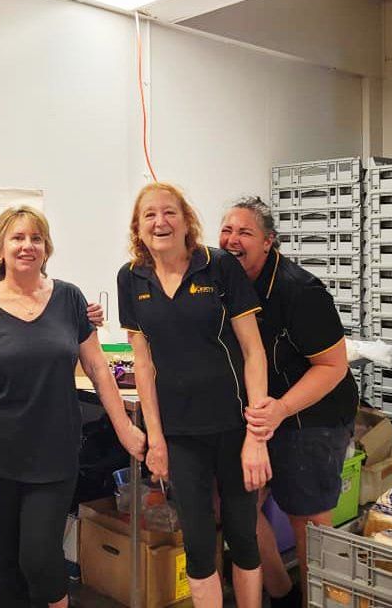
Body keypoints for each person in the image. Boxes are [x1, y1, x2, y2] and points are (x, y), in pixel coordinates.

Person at [0, 205, 145, 608]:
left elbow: (97, 368)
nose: (27, 246)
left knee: (40, 559)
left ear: (46, 247)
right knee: (5, 564)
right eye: (17, 238)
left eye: (36, 238)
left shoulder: (68, 298)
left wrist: (124, 427)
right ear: (1, 248)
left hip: (53, 452)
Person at [117, 182, 271, 608]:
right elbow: (143, 365)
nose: (160, 222)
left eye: (169, 212)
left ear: (186, 220)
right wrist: (156, 439)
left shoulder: (218, 266)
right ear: (138, 227)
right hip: (180, 434)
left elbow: (254, 351)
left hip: (233, 427)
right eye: (149, 215)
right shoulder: (131, 278)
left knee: (243, 536)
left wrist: (256, 436)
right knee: (199, 545)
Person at [219, 197, 358, 608]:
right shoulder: (223, 282)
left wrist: (281, 409)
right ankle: (282, 593)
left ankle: (321, 601)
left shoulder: (300, 291)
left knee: (308, 520)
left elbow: (333, 366)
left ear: (268, 242)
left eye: (245, 232)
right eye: (227, 230)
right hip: (258, 414)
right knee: (236, 508)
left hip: (311, 417)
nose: (232, 240)